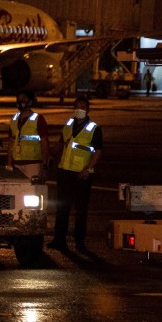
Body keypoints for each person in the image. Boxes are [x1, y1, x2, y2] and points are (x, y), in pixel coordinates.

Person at [48, 95, 102, 253]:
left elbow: (98, 151)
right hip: (65, 172)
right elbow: (61, 144)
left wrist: (89, 169)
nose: (80, 110)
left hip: (81, 174)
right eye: (77, 107)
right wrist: (50, 155)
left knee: (81, 209)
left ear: (88, 109)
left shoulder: (94, 128)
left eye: (83, 107)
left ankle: (80, 242)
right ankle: (59, 240)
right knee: (62, 208)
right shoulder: (68, 124)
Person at [8, 90, 51, 180]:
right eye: (18, 99)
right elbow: (11, 143)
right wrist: (9, 163)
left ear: (30, 102)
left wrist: (45, 165)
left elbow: (45, 143)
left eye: (23, 99)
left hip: (33, 164)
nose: (20, 102)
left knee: (31, 191)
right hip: (17, 163)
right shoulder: (14, 119)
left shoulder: (38, 119)